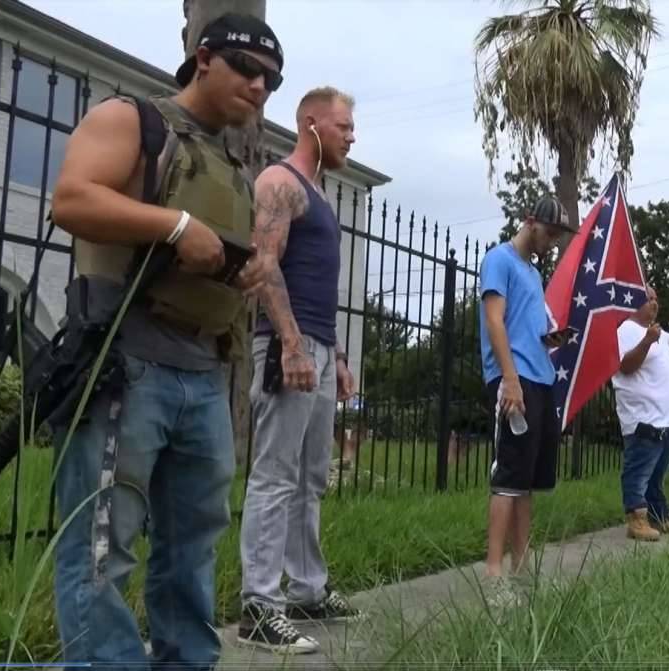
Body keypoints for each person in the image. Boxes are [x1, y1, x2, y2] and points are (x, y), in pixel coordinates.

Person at [48, 13, 284, 668]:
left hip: (205, 371)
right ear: (203, 58)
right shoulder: (133, 121)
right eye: (247, 67)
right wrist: (177, 225)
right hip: (128, 362)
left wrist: (251, 270)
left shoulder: (233, 164)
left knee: (193, 546)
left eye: (271, 78)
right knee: (101, 543)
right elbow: (70, 198)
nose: (260, 86)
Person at [238, 86, 359, 654]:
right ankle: (260, 607)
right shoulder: (278, 183)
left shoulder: (317, 194)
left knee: (311, 479)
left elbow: (313, 285)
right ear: (311, 123)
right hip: (287, 348)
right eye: (343, 125)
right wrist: (290, 344)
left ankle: (308, 590)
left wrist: (332, 355)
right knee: (274, 475)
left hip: (316, 347)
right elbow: (263, 266)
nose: (351, 135)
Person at [478, 195, 577, 604]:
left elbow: (525, 327)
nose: (553, 242)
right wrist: (510, 379)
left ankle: (521, 568)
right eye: (550, 233)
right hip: (514, 379)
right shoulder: (499, 260)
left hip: (540, 376)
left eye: (558, 236)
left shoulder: (533, 274)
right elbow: (494, 320)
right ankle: (493, 571)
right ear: (530, 222)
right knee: (509, 477)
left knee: (527, 482)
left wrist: (550, 340)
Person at [612, 287, 669, 541]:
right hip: (643, 418)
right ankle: (636, 519)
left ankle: (659, 518)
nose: (654, 303)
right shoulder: (625, 331)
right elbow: (625, 366)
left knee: (656, 475)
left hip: (666, 418)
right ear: (633, 302)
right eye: (648, 299)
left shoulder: (658, 333)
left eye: (656, 298)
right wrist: (647, 341)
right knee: (638, 471)